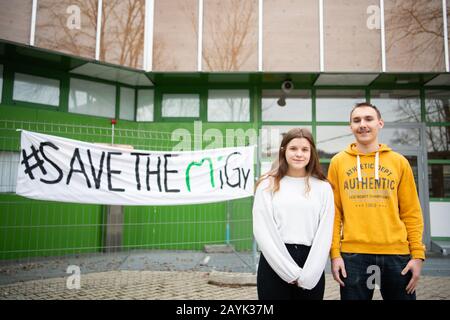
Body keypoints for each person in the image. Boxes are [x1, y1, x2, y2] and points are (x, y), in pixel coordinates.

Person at [328, 102, 425, 300]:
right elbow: (334, 213)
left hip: (397, 255)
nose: (362, 124)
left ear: (380, 123)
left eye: (368, 119)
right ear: (351, 127)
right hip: (353, 256)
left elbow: (411, 212)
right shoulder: (338, 162)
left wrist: (417, 255)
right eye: (357, 120)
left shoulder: (399, 162)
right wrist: (335, 254)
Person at [253, 128, 335, 300]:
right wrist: (290, 272)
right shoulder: (267, 185)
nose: (299, 154)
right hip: (274, 261)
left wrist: (310, 274)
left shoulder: (323, 187)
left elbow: (325, 233)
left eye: (304, 149)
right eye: (293, 149)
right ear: (284, 151)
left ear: (312, 153)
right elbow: (263, 231)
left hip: (311, 263)